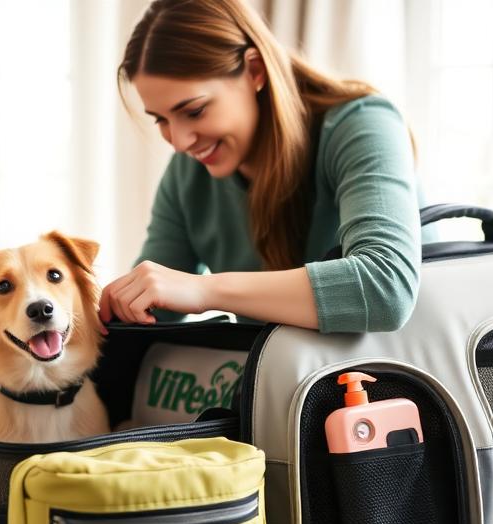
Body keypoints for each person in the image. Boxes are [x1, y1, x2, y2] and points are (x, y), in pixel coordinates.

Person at [101, 0, 426, 333]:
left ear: (255, 71)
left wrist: (204, 290)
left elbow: (385, 288)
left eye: (194, 111)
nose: (180, 142)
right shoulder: (187, 174)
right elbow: (147, 313)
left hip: (402, 364)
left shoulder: (362, 125)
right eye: (161, 120)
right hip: (287, 366)